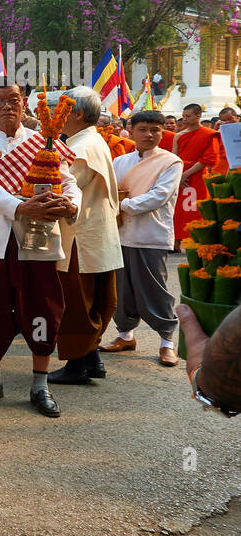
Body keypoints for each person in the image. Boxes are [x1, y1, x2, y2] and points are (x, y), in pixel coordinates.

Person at [0, 83, 80, 417]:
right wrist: (21, 207)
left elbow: (68, 182)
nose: (6, 107)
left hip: (39, 238)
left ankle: (39, 383)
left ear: (24, 103)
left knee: (42, 308)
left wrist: (69, 205)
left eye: (13, 100)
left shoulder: (44, 140)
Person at [48, 88, 124, 385]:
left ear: (77, 114)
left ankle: (77, 365)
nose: (55, 113)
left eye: (61, 107)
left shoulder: (81, 147)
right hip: (93, 232)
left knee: (77, 301)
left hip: (80, 233)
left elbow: (63, 187)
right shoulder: (89, 140)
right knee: (92, 298)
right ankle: (92, 359)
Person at [101, 110, 183, 365]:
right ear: (131, 130)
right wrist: (115, 203)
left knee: (154, 289)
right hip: (121, 233)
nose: (149, 134)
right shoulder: (120, 162)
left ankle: (167, 341)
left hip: (151, 233)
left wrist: (121, 204)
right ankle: (126, 335)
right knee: (122, 290)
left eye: (155, 130)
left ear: (163, 132)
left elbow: (159, 196)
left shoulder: (171, 162)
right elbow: (109, 190)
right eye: (143, 129)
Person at [170, 103, 221, 247]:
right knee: (178, 210)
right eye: (184, 116)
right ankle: (175, 243)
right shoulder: (178, 136)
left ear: (198, 116)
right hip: (180, 176)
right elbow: (174, 158)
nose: (185, 119)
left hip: (198, 175)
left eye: (188, 116)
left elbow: (209, 158)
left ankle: (199, 241)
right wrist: (178, 175)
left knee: (198, 209)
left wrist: (186, 174)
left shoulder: (209, 134)